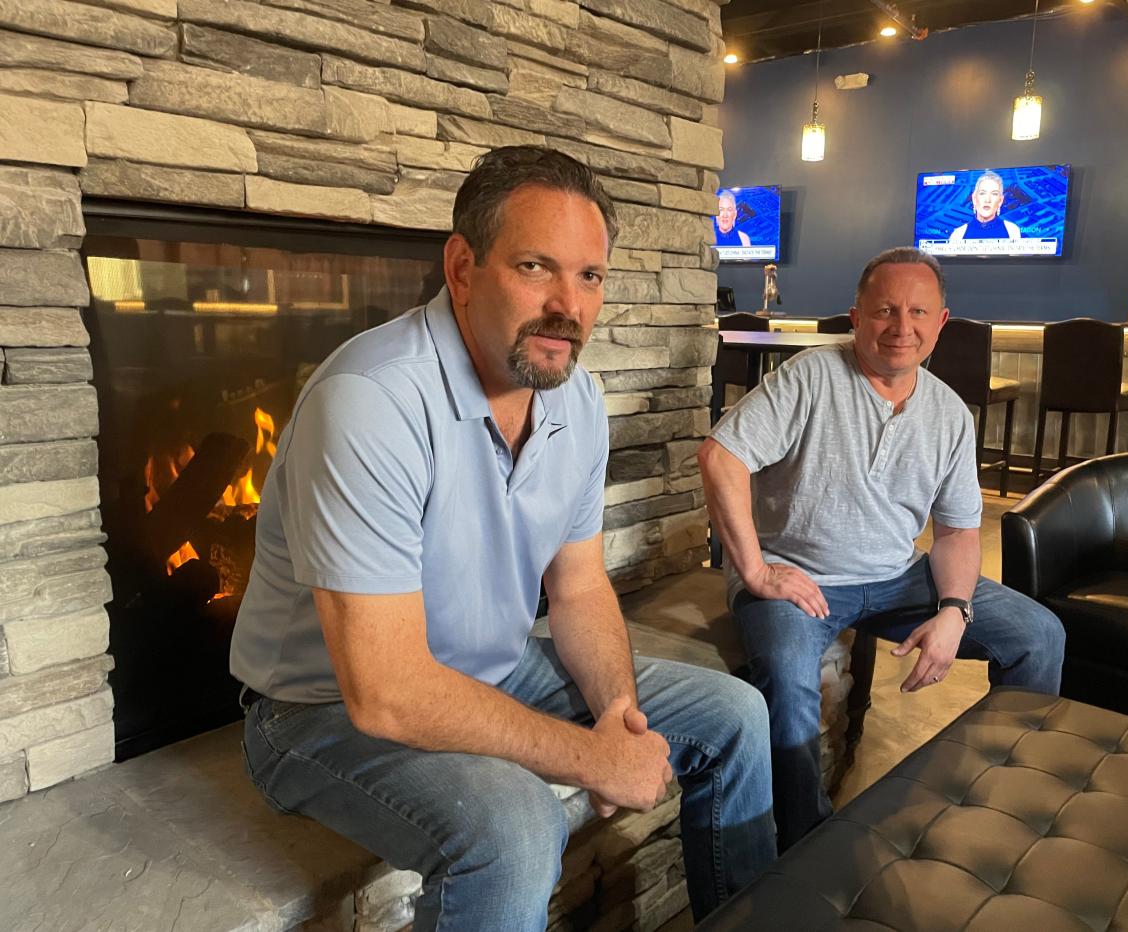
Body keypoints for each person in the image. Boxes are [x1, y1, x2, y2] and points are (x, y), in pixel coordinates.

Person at [230, 145, 776, 929]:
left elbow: (580, 586)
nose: (569, 305)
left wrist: (617, 716)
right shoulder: (370, 402)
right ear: (462, 267)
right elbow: (384, 690)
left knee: (734, 716)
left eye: (589, 276)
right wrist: (588, 758)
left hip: (491, 666)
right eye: (534, 267)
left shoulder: (574, 398)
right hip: (317, 710)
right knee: (515, 830)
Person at [698, 246, 1064, 853]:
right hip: (799, 581)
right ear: (855, 317)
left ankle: (1004, 800)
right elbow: (720, 455)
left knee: (1039, 634)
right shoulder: (810, 376)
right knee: (788, 683)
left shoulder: (948, 413)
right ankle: (807, 851)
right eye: (885, 311)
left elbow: (957, 532)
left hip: (897, 576)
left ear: (941, 323)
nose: (902, 327)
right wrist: (756, 571)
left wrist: (953, 610)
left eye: (919, 312)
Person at [949, 170, 1021, 241]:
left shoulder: (1012, 231)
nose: (987, 200)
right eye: (982, 193)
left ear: (1000, 201)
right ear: (974, 198)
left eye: (994, 194)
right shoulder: (958, 235)